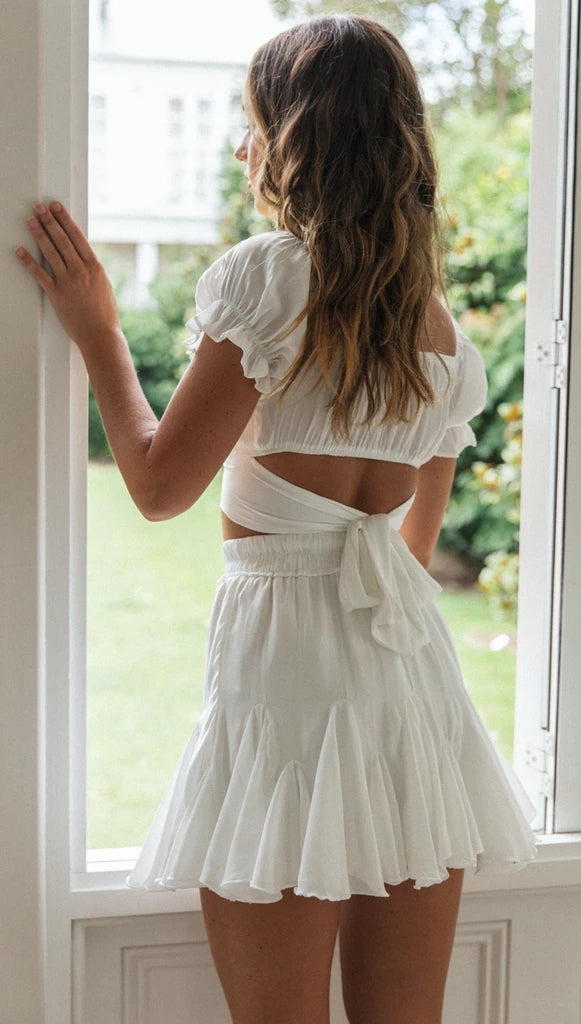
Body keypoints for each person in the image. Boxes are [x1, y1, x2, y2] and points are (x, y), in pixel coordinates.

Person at [16, 14, 537, 1024]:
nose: (239, 148)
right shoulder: (441, 337)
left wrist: (98, 332)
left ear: (297, 139)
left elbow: (157, 487)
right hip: (412, 692)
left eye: (251, 124)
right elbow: (410, 551)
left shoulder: (268, 279)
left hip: (286, 690)